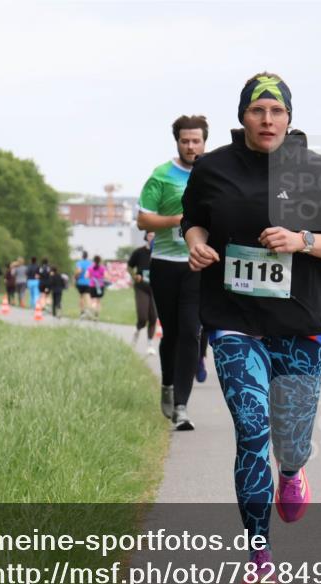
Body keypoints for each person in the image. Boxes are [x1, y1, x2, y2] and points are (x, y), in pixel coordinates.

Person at [181, 72, 321, 584]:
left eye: (276, 111)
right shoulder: (213, 167)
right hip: (233, 320)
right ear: (243, 116)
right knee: (252, 429)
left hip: (299, 323)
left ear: (289, 117)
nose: (267, 120)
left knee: (291, 440)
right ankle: (259, 555)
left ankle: (292, 469)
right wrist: (196, 243)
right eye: (257, 110)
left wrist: (302, 240)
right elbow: (193, 219)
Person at [137, 115, 207, 428]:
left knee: (191, 331)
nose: (191, 146)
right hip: (165, 263)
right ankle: (167, 383)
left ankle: (181, 406)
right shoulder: (162, 175)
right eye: (185, 141)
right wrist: (179, 220)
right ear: (177, 142)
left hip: (198, 263)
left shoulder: (214, 172)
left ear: (204, 142)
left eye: (196, 141)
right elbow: (144, 220)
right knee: (173, 333)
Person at [129, 232, 159, 354]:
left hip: (156, 288)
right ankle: (137, 331)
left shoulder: (159, 253)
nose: (152, 237)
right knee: (143, 317)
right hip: (141, 287)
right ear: (146, 236)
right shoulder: (139, 252)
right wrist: (134, 276)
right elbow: (129, 266)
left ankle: (150, 344)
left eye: (154, 235)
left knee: (153, 317)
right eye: (150, 235)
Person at [74, 251, 93, 318]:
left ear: (82, 256)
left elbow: (79, 271)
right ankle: (89, 311)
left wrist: (76, 277)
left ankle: (82, 312)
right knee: (88, 297)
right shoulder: (90, 263)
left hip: (80, 282)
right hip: (88, 282)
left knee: (81, 297)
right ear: (87, 256)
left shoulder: (79, 263)